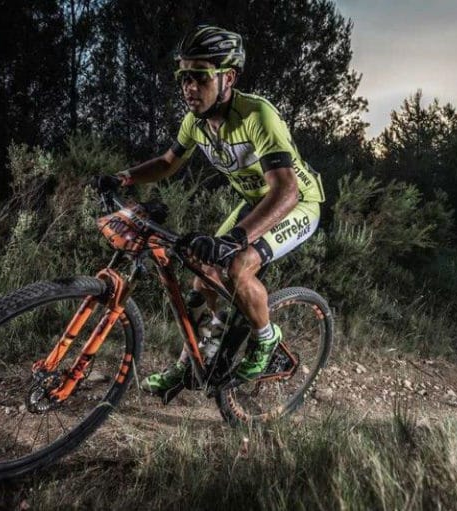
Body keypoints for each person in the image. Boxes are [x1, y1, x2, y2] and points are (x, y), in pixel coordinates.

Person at [96, 25, 324, 395]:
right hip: (256, 202)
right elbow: (167, 162)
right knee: (201, 277)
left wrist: (236, 239)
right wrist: (123, 178)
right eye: (184, 77)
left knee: (237, 266)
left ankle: (266, 337)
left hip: (297, 202)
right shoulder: (196, 123)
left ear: (228, 77)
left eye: (200, 76)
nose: (189, 87)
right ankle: (198, 357)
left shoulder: (257, 115)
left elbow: (286, 191)